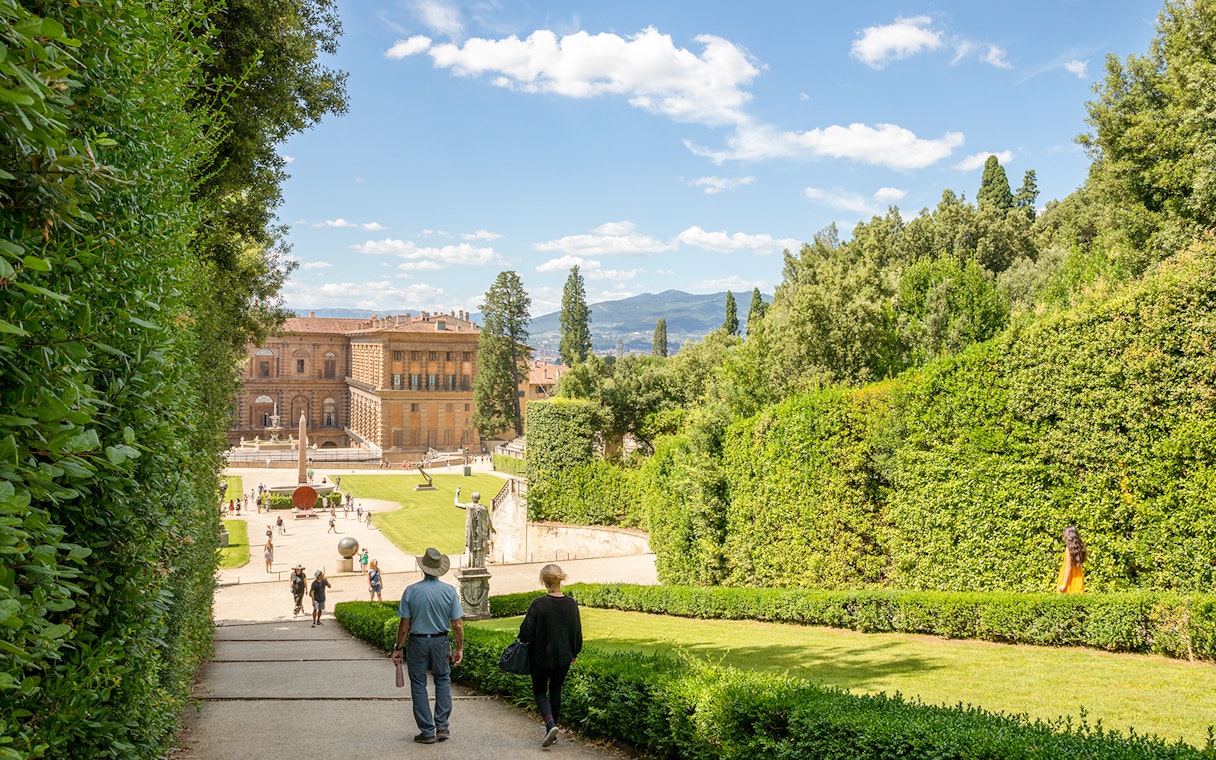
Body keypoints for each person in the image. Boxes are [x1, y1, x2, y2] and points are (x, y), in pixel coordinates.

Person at [390, 548, 464, 744]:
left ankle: (427, 731)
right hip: (441, 641)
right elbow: (457, 624)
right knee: (442, 680)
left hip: (418, 642)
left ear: (423, 568)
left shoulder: (411, 591)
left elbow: (404, 626)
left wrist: (398, 647)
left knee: (419, 684)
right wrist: (459, 647)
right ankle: (442, 726)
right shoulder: (449, 591)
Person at [519, 564, 582, 748]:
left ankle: (550, 724)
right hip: (563, 656)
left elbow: (525, 632)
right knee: (556, 690)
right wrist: (575, 651)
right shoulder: (571, 604)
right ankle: (552, 733)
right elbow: (576, 632)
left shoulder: (538, 604)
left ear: (543, 581)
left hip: (540, 656)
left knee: (539, 691)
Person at [454, 487, 493, 569]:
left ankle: (470, 564)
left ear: (472, 498)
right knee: (479, 547)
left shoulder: (469, 506)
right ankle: (479, 565)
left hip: (471, 531)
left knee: (471, 546)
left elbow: (457, 504)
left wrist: (456, 494)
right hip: (480, 532)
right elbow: (488, 519)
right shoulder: (483, 508)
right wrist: (491, 528)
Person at [1056, 525, 1087, 593]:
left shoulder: (1068, 549)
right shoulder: (1079, 548)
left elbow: (1068, 567)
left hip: (1069, 577)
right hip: (1078, 575)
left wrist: (1064, 584)